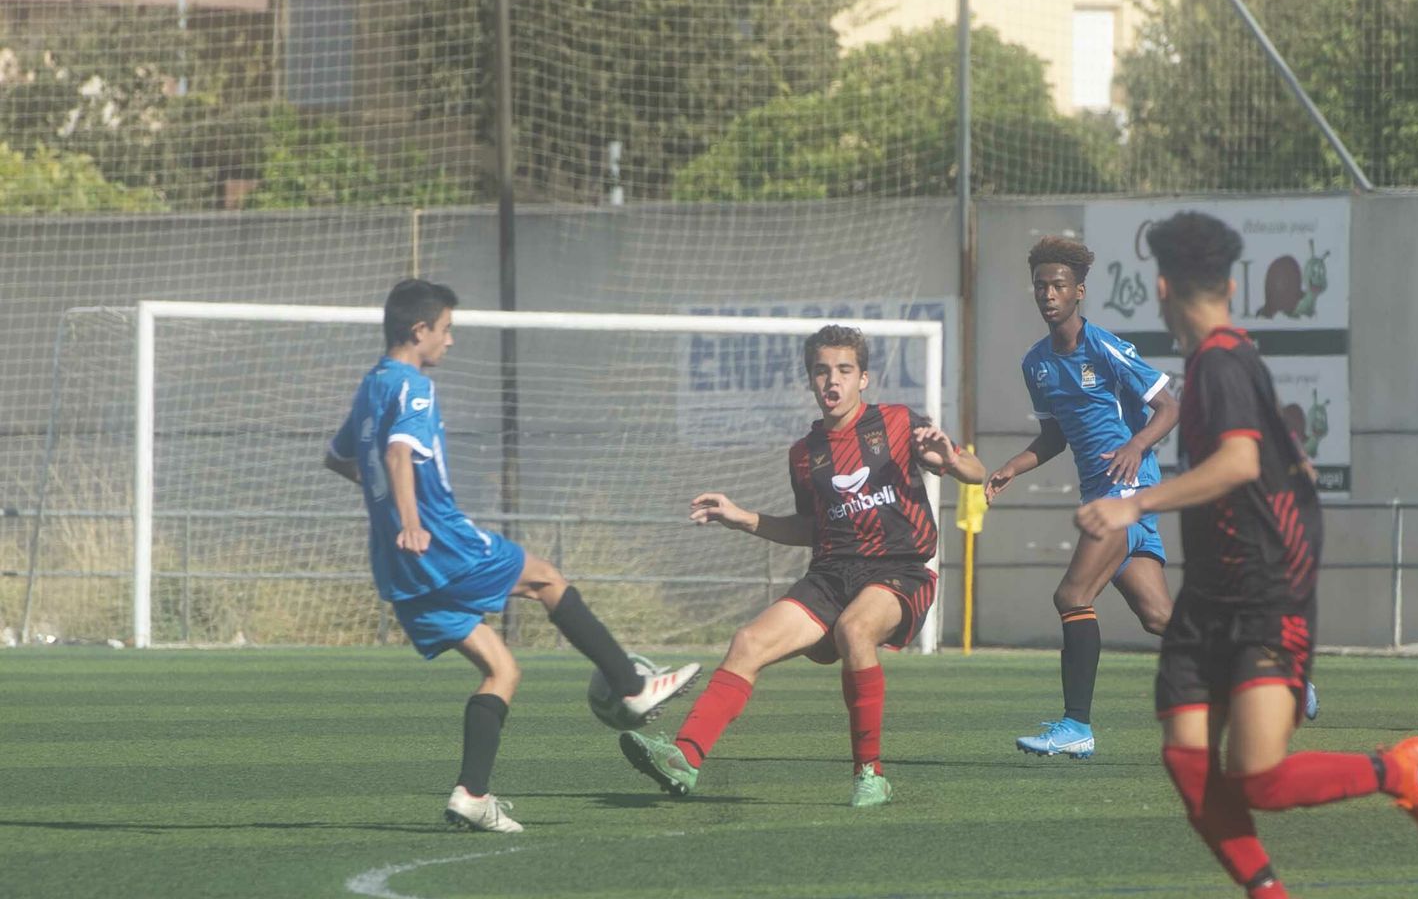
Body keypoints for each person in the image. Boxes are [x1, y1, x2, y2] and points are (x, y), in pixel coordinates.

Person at [1076, 212, 1418, 899]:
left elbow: (1242, 462)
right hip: (1209, 596)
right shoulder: (1229, 358)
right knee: (1185, 758)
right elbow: (1283, 464)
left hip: (1261, 595)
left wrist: (1135, 501)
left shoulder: (1219, 363)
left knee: (1260, 780)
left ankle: (1398, 767)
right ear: (1234, 283)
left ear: (1159, 288)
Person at [324, 279, 700, 833]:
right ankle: (631, 684)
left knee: (502, 669)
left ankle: (472, 794)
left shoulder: (370, 387)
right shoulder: (414, 387)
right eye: (446, 330)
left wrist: (386, 506)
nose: (450, 342)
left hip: (397, 568)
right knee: (548, 579)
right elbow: (400, 453)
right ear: (419, 331)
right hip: (439, 542)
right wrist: (410, 520)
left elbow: (339, 458)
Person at [618, 324, 985, 807]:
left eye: (844, 370)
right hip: (831, 576)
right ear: (810, 380)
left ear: (864, 379)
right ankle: (684, 758)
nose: (832, 381)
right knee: (747, 641)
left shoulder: (898, 423)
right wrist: (742, 518)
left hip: (900, 571)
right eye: (821, 371)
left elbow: (977, 474)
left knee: (855, 630)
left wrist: (952, 462)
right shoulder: (805, 454)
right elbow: (811, 529)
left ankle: (869, 774)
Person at [984, 236, 1179, 759]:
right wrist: (1012, 467)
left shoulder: (1106, 348)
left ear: (1079, 293)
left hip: (1128, 492)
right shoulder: (1036, 365)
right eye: (1041, 286)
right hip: (1105, 493)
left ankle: (1076, 725)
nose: (1048, 294)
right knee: (1161, 618)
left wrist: (1137, 446)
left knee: (1071, 597)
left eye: (1059, 286)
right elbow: (1054, 438)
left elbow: (1168, 407)